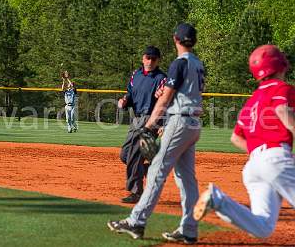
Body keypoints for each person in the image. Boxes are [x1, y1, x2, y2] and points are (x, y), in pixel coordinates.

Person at [108, 23, 205, 244]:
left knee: (155, 172)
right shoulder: (198, 64)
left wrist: (149, 126)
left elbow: (165, 98)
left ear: (175, 39)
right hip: (194, 123)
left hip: (179, 121)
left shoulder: (179, 63)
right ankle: (189, 229)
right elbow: (187, 91)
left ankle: (136, 222)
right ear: (194, 41)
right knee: (186, 179)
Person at [193, 44, 295, 239]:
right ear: (280, 64)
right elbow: (283, 111)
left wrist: (262, 157)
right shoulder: (282, 88)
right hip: (275, 159)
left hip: (254, 165)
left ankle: (218, 200)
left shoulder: (254, 99)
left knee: (263, 227)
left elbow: (236, 137)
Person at [118, 45, 167, 204]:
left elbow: (166, 102)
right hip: (137, 119)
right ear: (143, 58)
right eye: (148, 57)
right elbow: (130, 95)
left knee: (134, 152)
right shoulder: (135, 75)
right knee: (125, 154)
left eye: (154, 58)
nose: (150, 61)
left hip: (152, 119)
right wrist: (125, 101)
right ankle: (149, 167)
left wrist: (163, 124)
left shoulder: (162, 79)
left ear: (158, 60)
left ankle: (136, 192)